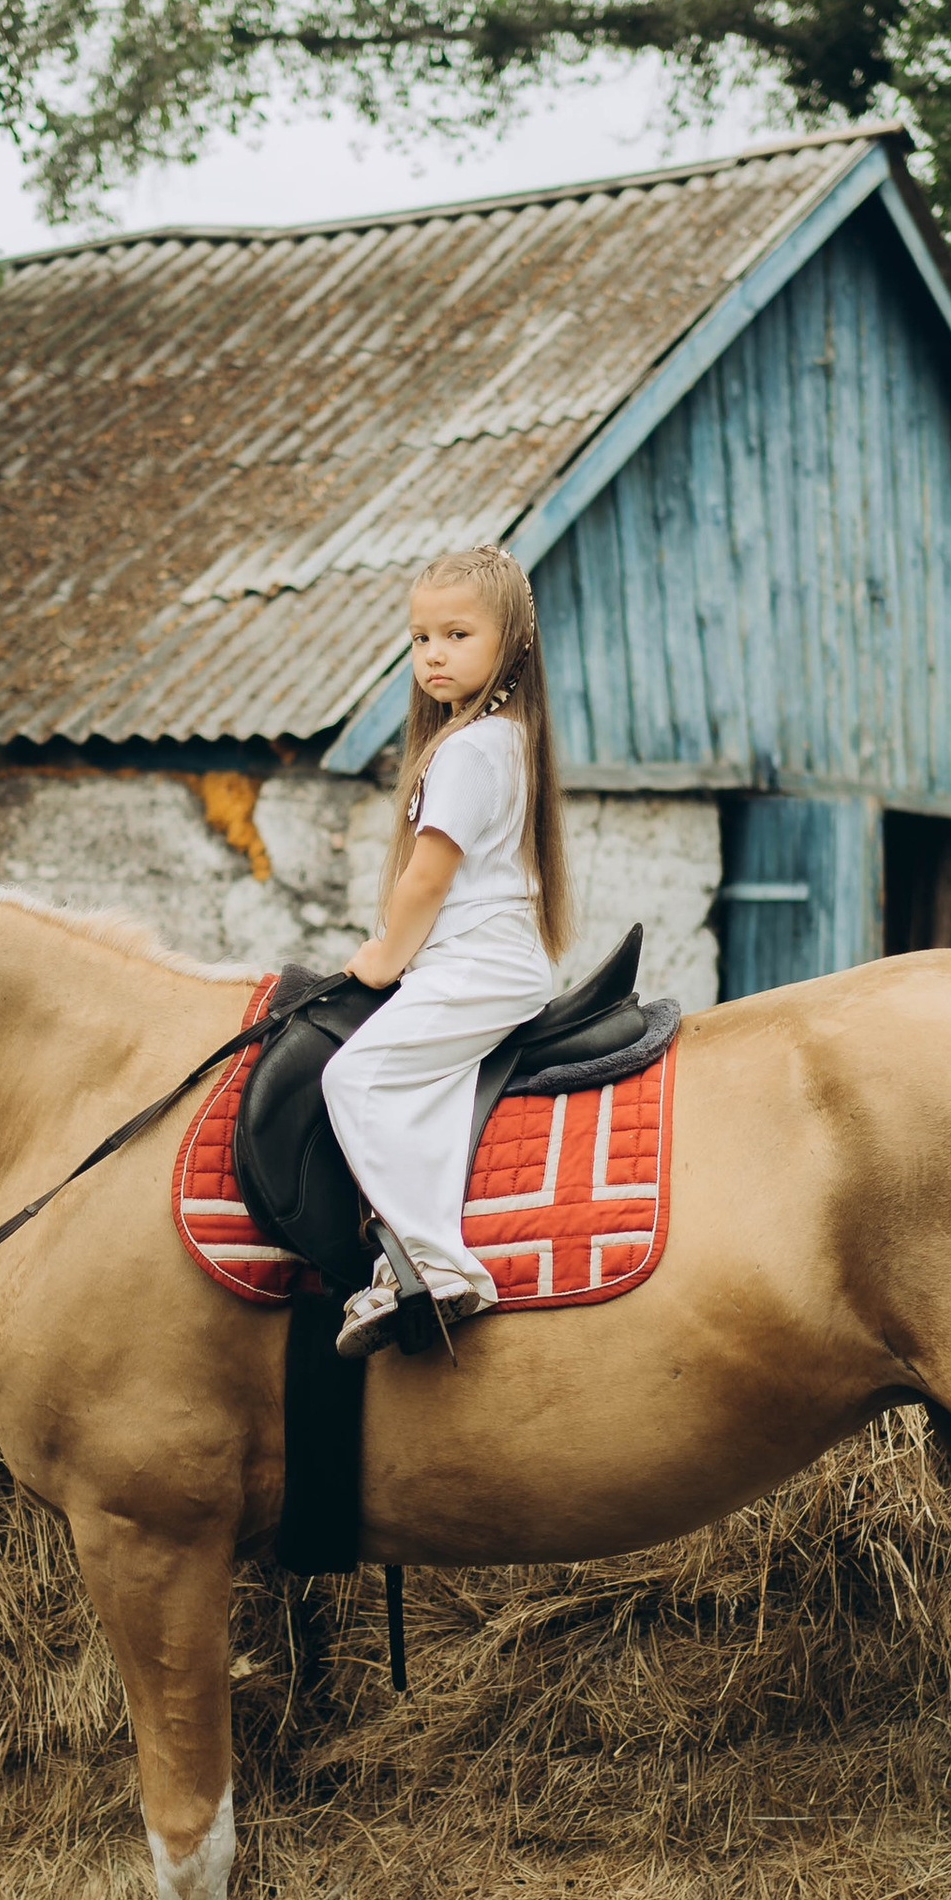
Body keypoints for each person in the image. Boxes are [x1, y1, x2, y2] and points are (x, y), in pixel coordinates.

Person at [322, 543, 575, 1357]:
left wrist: (384, 958)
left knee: (354, 1075)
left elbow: (428, 877)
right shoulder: (509, 737)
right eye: (421, 637)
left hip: (474, 964)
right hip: (491, 961)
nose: (434, 653)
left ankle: (438, 1266)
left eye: (458, 635)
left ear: (512, 645)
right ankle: (405, 1260)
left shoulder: (467, 749)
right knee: (420, 1090)